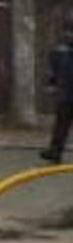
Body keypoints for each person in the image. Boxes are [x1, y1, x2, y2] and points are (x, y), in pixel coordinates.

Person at [43, 28, 73, 163]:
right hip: (66, 94)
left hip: (66, 93)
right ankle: (55, 151)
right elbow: (54, 69)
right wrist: (52, 83)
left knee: (61, 123)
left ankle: (55, 150)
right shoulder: (60, 51)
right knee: (61, 124)